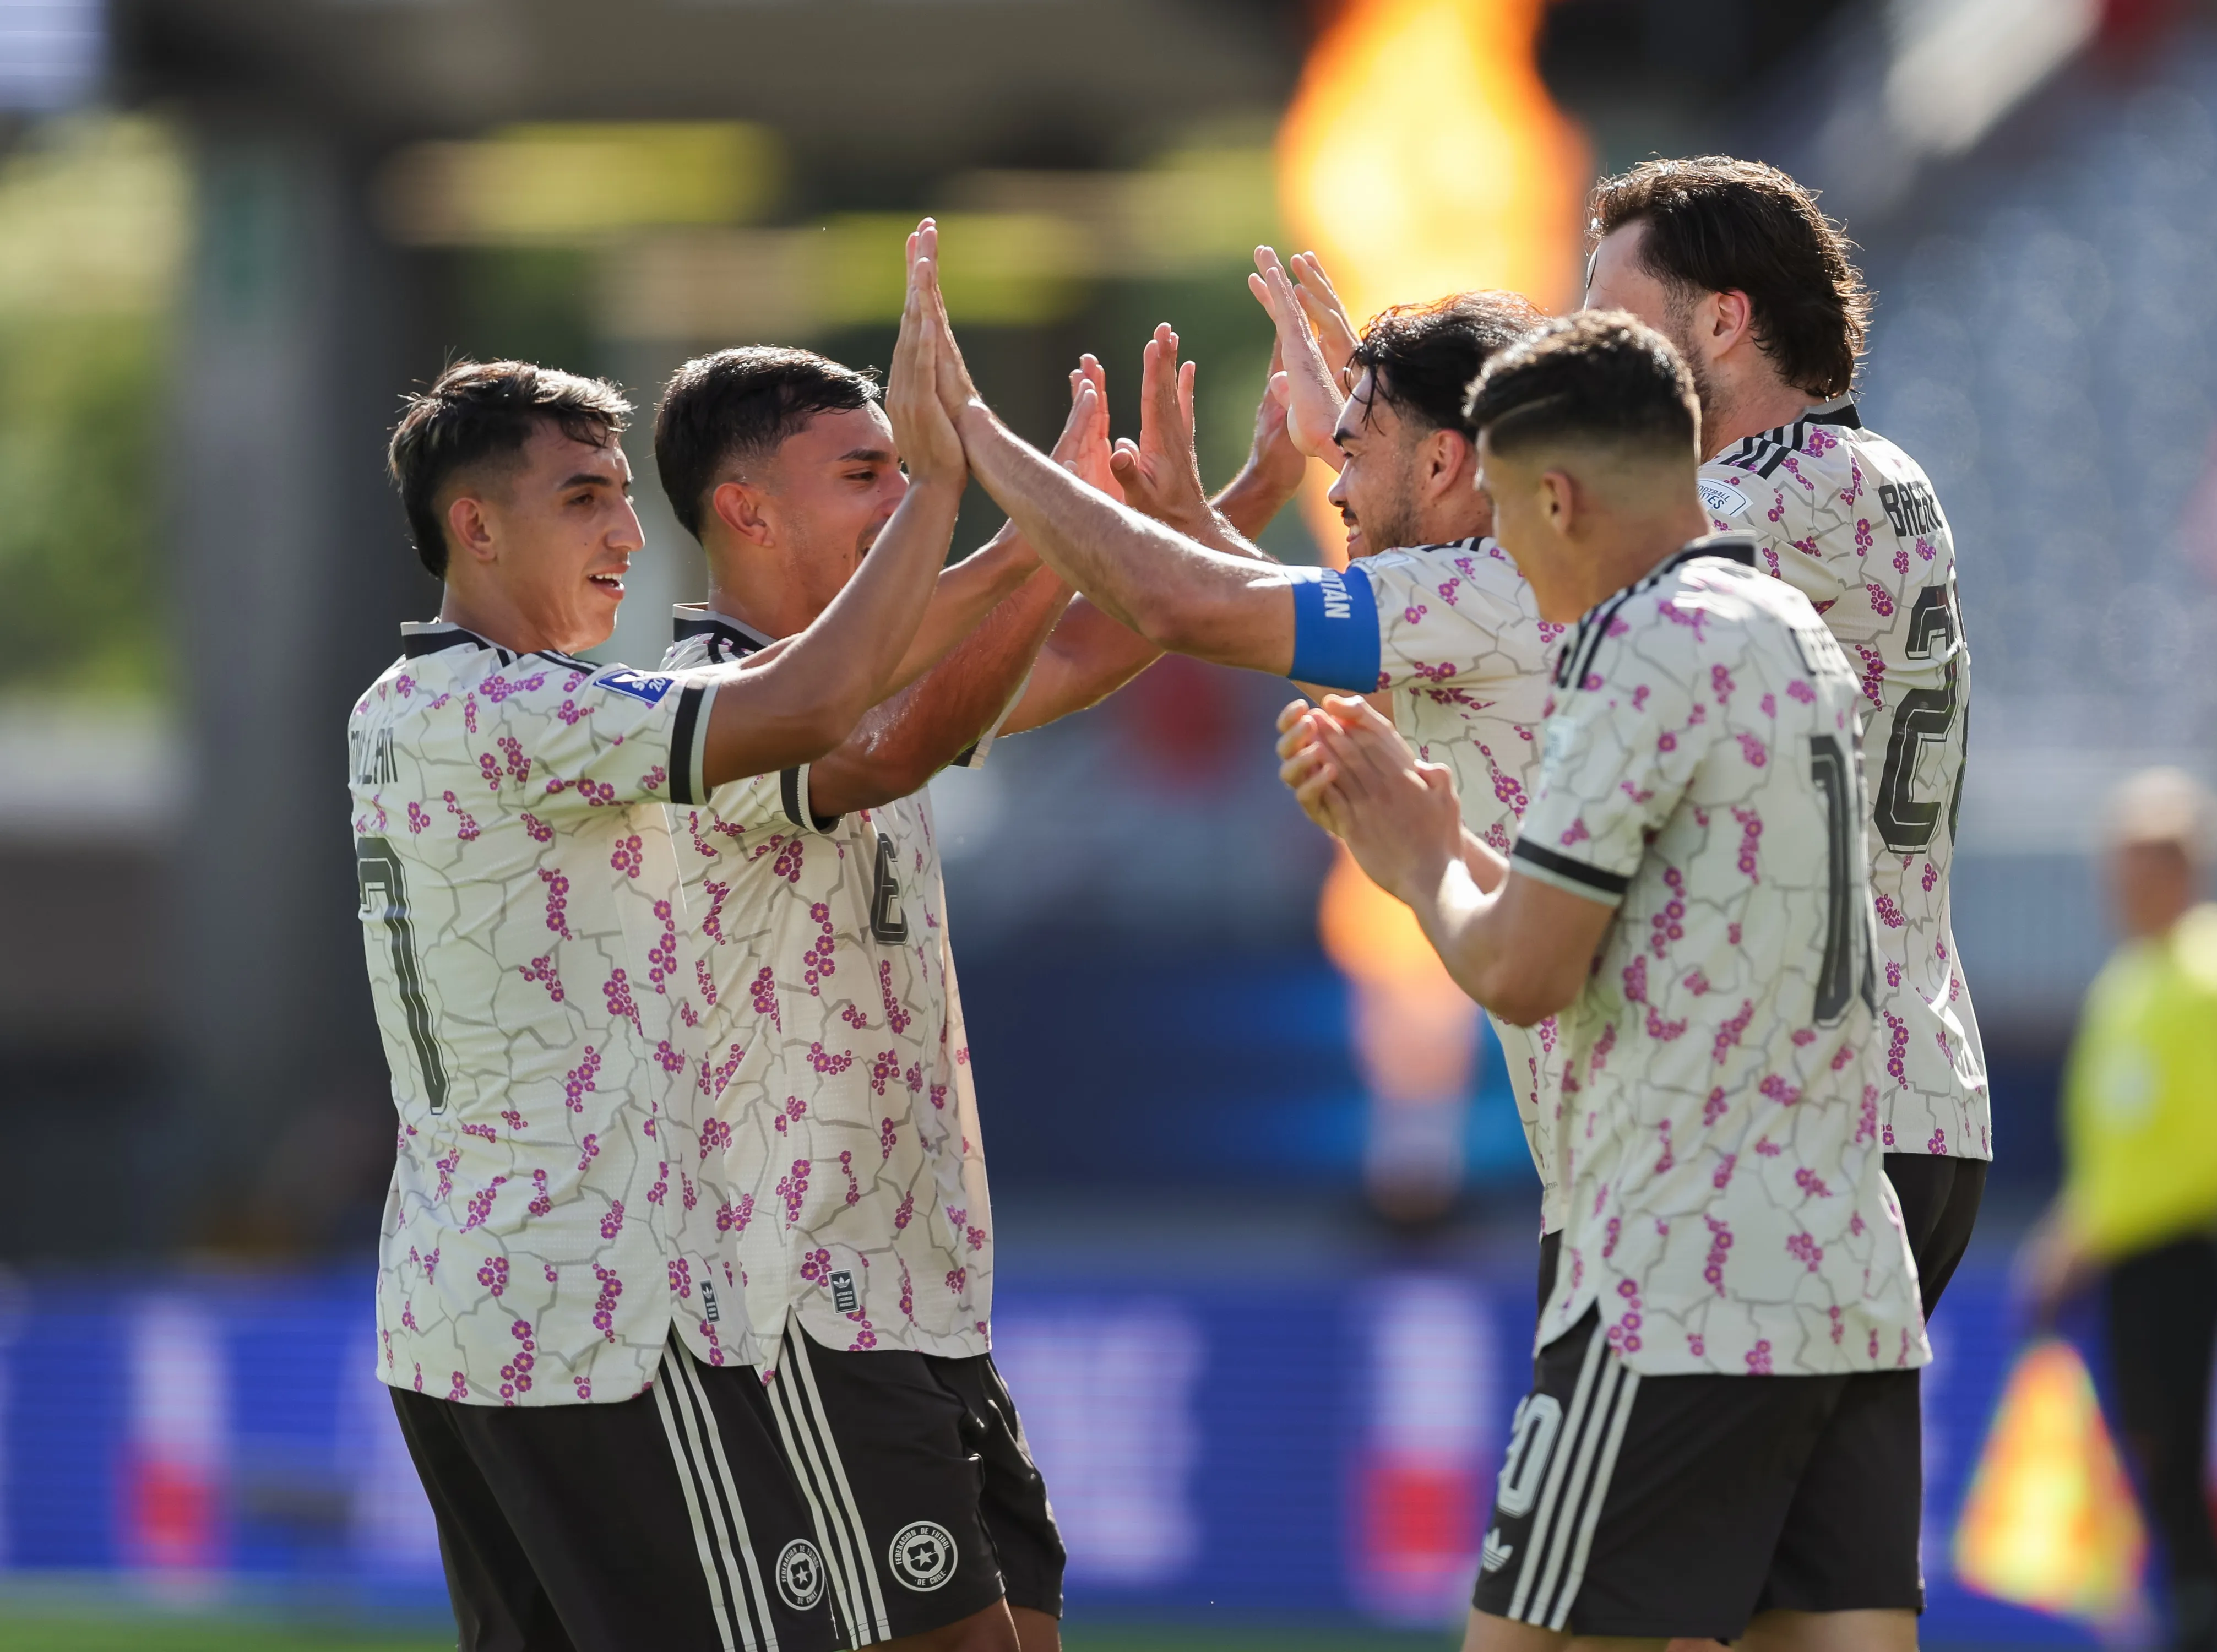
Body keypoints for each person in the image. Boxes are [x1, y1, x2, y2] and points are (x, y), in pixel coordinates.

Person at [351, 230, 958, 1652]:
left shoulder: (399, 708)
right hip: (600, 1319)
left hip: (456, 1313)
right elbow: (817, 706)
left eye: (624, 497)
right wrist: (946, 485)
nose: (628, 534)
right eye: (583, 500)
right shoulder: (525, 715)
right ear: (474, 529)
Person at [1287, 311, 1927, 1652]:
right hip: (1841, 1265)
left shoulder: (1641, 647)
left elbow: (1521, 972)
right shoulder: (1784, 626)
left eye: (1510, 512)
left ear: (1559, 496)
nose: (1504, 556)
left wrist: (1413, 863)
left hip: (1676, 1277)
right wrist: (1436, 828)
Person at [652, 339, 1182, 1652]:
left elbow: (1071, 653)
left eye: (910, 471)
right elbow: (895, 747)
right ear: (747, 509)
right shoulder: (699, 709)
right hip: (802, 1307)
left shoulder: (882, 684)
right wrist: (1048, 529)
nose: (906, 502)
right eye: (869, 473)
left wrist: (1207, 512)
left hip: (927, 1296)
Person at [901, 242, 1572, 1245]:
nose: (1336, 492)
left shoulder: (1475, 587)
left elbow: (1184, 607)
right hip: (1633, 1163)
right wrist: (1196, 517)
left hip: (1661, 1191)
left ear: (1444, 462)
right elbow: (1281, 628)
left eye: (1356, 453)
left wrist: (977, 435)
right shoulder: (1502, 589)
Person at [1581, 155, 1991, 1318]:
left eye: (1614, 326)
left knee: (1679, 1503)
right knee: (1832, 1505)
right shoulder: (1872, 473)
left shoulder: (1786, 485)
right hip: (1914, 1082)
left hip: (1826, 1117)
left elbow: (1587, 568)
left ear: (1723, 321)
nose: (1592, 361)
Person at [2018, 769, 2217, 1652]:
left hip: (2177, 1254)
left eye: (2134, 860)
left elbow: (2207, 1156)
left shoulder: (2214, 975)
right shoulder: (2137, 977)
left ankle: (2203, 1629)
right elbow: (2116, 1142)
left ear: (2178, 866)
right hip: (2132, 1256)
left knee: (2177, 1459)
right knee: (2151, 1455)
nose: (2115, 880)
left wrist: (2085, 1234)